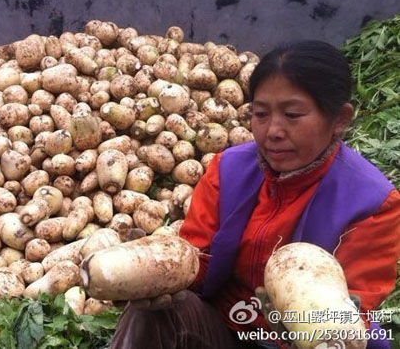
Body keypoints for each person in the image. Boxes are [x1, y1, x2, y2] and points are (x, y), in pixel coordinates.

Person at [110, 40, 400, 349]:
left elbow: (356, 305)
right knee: (155, 313)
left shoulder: (373, 202)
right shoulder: (227, 169)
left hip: (303, 342)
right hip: (227, 327)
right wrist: (159, 270)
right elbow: (198, 257)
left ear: (339, 119)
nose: (273, 130)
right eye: (260, 114)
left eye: (292, 115)